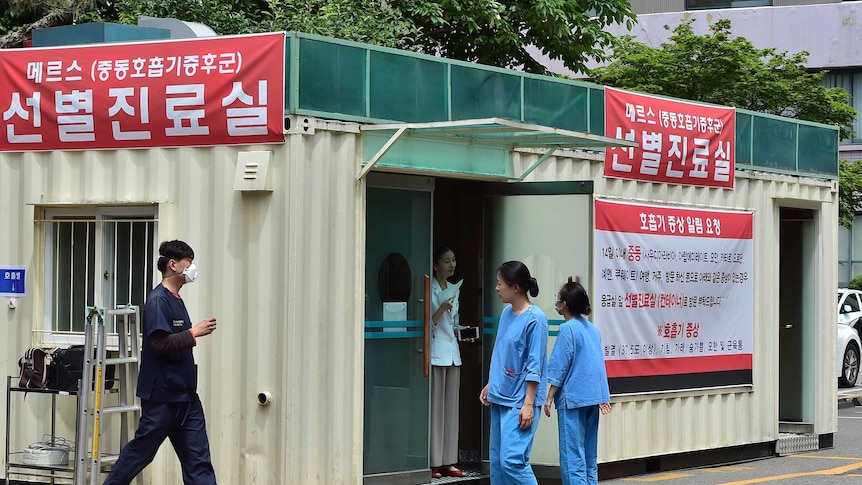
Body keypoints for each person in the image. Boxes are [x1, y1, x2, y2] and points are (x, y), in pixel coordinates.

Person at [104, 240, 219, 485]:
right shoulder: (158, 301)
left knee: (198, 460)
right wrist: (193, 333)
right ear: (173, 265)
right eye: (189, 261)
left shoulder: (176, 299)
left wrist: (191, 334)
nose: (192, 267)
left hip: (186, 398)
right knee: (139, 454)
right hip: (162, 399)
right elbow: (158, 344)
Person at [479, 261, 548, 485]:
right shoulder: (507, 313)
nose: (497, 288)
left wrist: (528, 404)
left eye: (500, 284)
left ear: (515, 287)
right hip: (500, 396)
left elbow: (534, 364)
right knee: (498, 464)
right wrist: (492, 384)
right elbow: (502, 352)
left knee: (512, 461)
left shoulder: (536, 319)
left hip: (520, 400)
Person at [543, 280, 611, 485]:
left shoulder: (567, 329)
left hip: (572, 399)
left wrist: (549, 396)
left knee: (572, 457)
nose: (556, 303)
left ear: (564, 304)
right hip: (593, 397)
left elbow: (560, 366)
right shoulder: (593, 330)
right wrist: (603, 395)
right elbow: (598, 365)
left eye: (558, 299)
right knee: (589, 455)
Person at [429, 244, 466, 479]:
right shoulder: (429, 288)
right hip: (434, 353)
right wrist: (442, 308)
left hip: (453, 353)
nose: (451, 265)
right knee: (435, 409)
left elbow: (452, 323)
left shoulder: (455, 288)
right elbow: (428, 323)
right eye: (446, 261)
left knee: (451, 410)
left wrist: (461, 329)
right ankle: (432, 462)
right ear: (435, 265)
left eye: (453, 260)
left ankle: (449, 460)